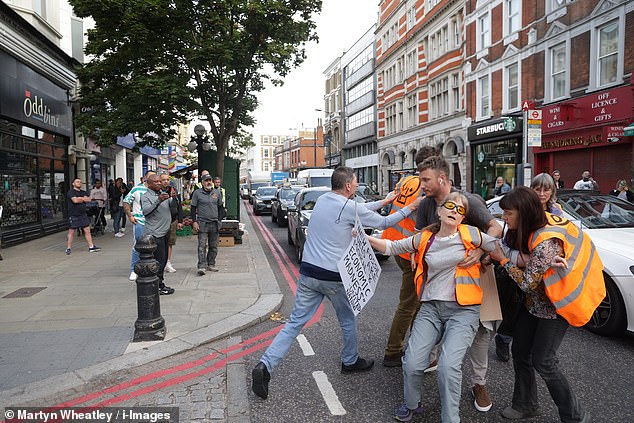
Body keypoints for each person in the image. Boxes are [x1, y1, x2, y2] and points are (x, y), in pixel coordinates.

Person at [251, 166, 423, 400]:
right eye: (354, 182)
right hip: (334, 277)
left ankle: (265, 365)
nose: (355, 185)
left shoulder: (323, 200)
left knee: (294, 324)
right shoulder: (347, 208)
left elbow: (359, 209)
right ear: (349, 186)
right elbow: (384, 223)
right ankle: (350, 361)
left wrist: (384, 200)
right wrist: (410, 207)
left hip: (309, 273)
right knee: (347, 319)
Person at [371, 192, 498, 422]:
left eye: (460, 210)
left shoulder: (472, 235)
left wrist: (484, 253)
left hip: (464, 310)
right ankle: (412, 404)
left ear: (462, 218)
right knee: (411, 362)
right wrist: (363, 237)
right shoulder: (425, 238)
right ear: (439, 211)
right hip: (431, 308)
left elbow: (500, 248)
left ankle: (451, 418)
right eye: (450, 206)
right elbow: (391, 247)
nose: (454, 211)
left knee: (448, 367)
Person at [489, 186, 602, 422]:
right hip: (536, 304)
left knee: (544, 361)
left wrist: (503, 261)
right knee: (520, 352)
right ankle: (525, 405)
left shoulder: (546, 243)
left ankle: (575, 415)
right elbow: (511, 251)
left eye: (508, 214)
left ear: (524, 212)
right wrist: (516, 257)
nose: (504, 218)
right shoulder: (532, 226)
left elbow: (528, 283)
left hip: (557, 306)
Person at [414, 156, 503, 414]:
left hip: (475, 277)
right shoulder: (426, 205)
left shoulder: (469, 201)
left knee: (481, 333)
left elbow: (494, 228)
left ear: (442, 178)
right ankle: (438, 362)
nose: (422, 185)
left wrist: (481, 253)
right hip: (437, 282)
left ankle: (479, 384)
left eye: (426, 179)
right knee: (432, 323)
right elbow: (418, 238)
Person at [495, 173, 563, 362]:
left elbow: (552, 251)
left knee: (541, 359)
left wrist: (538, 260)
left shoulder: (555, 214)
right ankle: (504, 338)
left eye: (546, 189)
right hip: (521, 280)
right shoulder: (517, 212)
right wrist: (520, 259)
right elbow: (503, 245)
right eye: (537, 189)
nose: (541, 193)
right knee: (513, 313)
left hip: (541, 291)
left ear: (552, 191)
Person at [381, 146, 438, 367]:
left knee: (415, 303)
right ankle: (393, 351)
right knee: (409, 304)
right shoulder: (423, 188)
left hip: (395, 244)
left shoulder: (404, 181)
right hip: (410, 251)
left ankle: (416, 345)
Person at [141, 174, 175, 295]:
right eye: (156, 182)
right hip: (155, 233)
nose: (159, 183)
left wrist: (173, 199)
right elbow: (146, 212)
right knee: (159, 261)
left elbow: (171, 209)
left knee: (164, 259)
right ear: (149, 184)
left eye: (160, 181)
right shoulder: (146, 196)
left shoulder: (162, 193)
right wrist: (158, 201)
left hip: (165, 231)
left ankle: (159, 283)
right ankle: (158, 285)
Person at [123, 171, 155, 281]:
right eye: (150, 176)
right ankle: (134, 269)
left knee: (154, 246)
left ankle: (151, 268)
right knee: (137, 245)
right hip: (140, 221)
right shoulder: (137, 189)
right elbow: (126, 201)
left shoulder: (156, 190)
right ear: (145, 178)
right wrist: (130, 216)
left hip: (153, 222)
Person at [191, 174, 223, 275]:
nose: (208, 182)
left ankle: (211, 264)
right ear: (202, 183)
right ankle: (201, 266)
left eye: (210, 180)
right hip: (202, 223)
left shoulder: (217, 192)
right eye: (206, 180)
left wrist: (219, 220)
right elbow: (193, 208)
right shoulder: (197, 193)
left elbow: (220, 207)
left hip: (214, 223)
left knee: (213, 246)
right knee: (202, 246)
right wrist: (194, 222)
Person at [65, 178, 101, 255]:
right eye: (77, 182)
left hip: (83, 214)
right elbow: (75, 201)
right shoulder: (71, 192)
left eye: (80, 182)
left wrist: (80, 199)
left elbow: (89, 199)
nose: (79, 183)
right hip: (73, 214)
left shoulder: (84, 192)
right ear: (73, 184)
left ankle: (91, 247)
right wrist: (82, 199)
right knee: (71, 231)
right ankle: (68, 248)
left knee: (87, 230)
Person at [160, 173, 184, 273]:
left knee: (170, 242)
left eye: (167, 180)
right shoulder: (157, 192)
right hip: (160, 222)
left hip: (172, 220)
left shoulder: (173, 191)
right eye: (164, 180)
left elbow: (179, 206)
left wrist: (180, 220)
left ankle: (168, 262)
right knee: (160, 243)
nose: (166, 181)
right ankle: (161, 262)